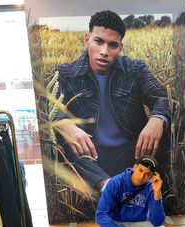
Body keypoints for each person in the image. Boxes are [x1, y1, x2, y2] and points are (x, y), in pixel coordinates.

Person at [51, 10, 170, 205]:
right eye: (98, 41)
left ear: (120, 47)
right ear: (87, 39)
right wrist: (64, 123)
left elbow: (160, 96)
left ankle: (152, 194)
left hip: (133, 154)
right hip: (90, 156)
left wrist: (157, 119)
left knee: (162, 127)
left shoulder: (134, 69)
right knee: (62, 135)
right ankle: (109, 187)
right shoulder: (65, 73)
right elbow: (48, 104)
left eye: (112, 45)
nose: (104, 51)